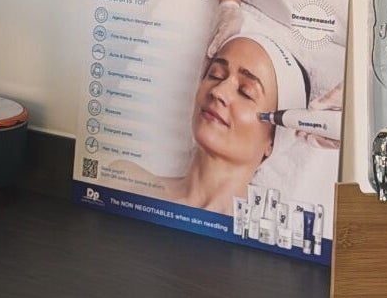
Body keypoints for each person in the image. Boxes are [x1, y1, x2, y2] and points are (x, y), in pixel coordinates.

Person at [108, 20, 311, 215]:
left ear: (272, 141)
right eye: (215, 75)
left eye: (245, 91)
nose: (218, 92)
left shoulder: (257, 241)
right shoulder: (123, 180)